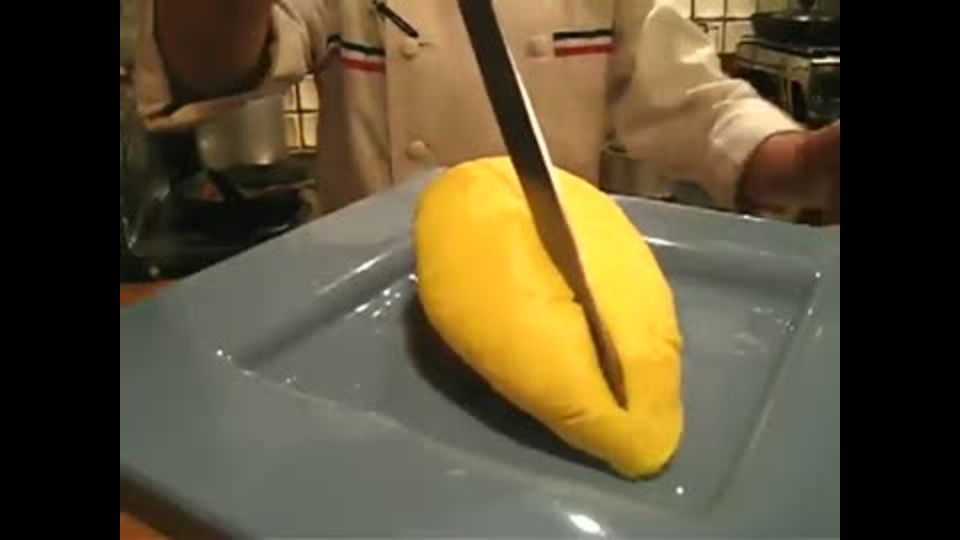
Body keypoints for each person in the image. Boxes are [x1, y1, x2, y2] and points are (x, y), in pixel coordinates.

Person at [134, 0, 840, 219]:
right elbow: (208, 70)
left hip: (553, 301)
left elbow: (699, 107)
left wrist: (803, 165)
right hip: (363, 306)